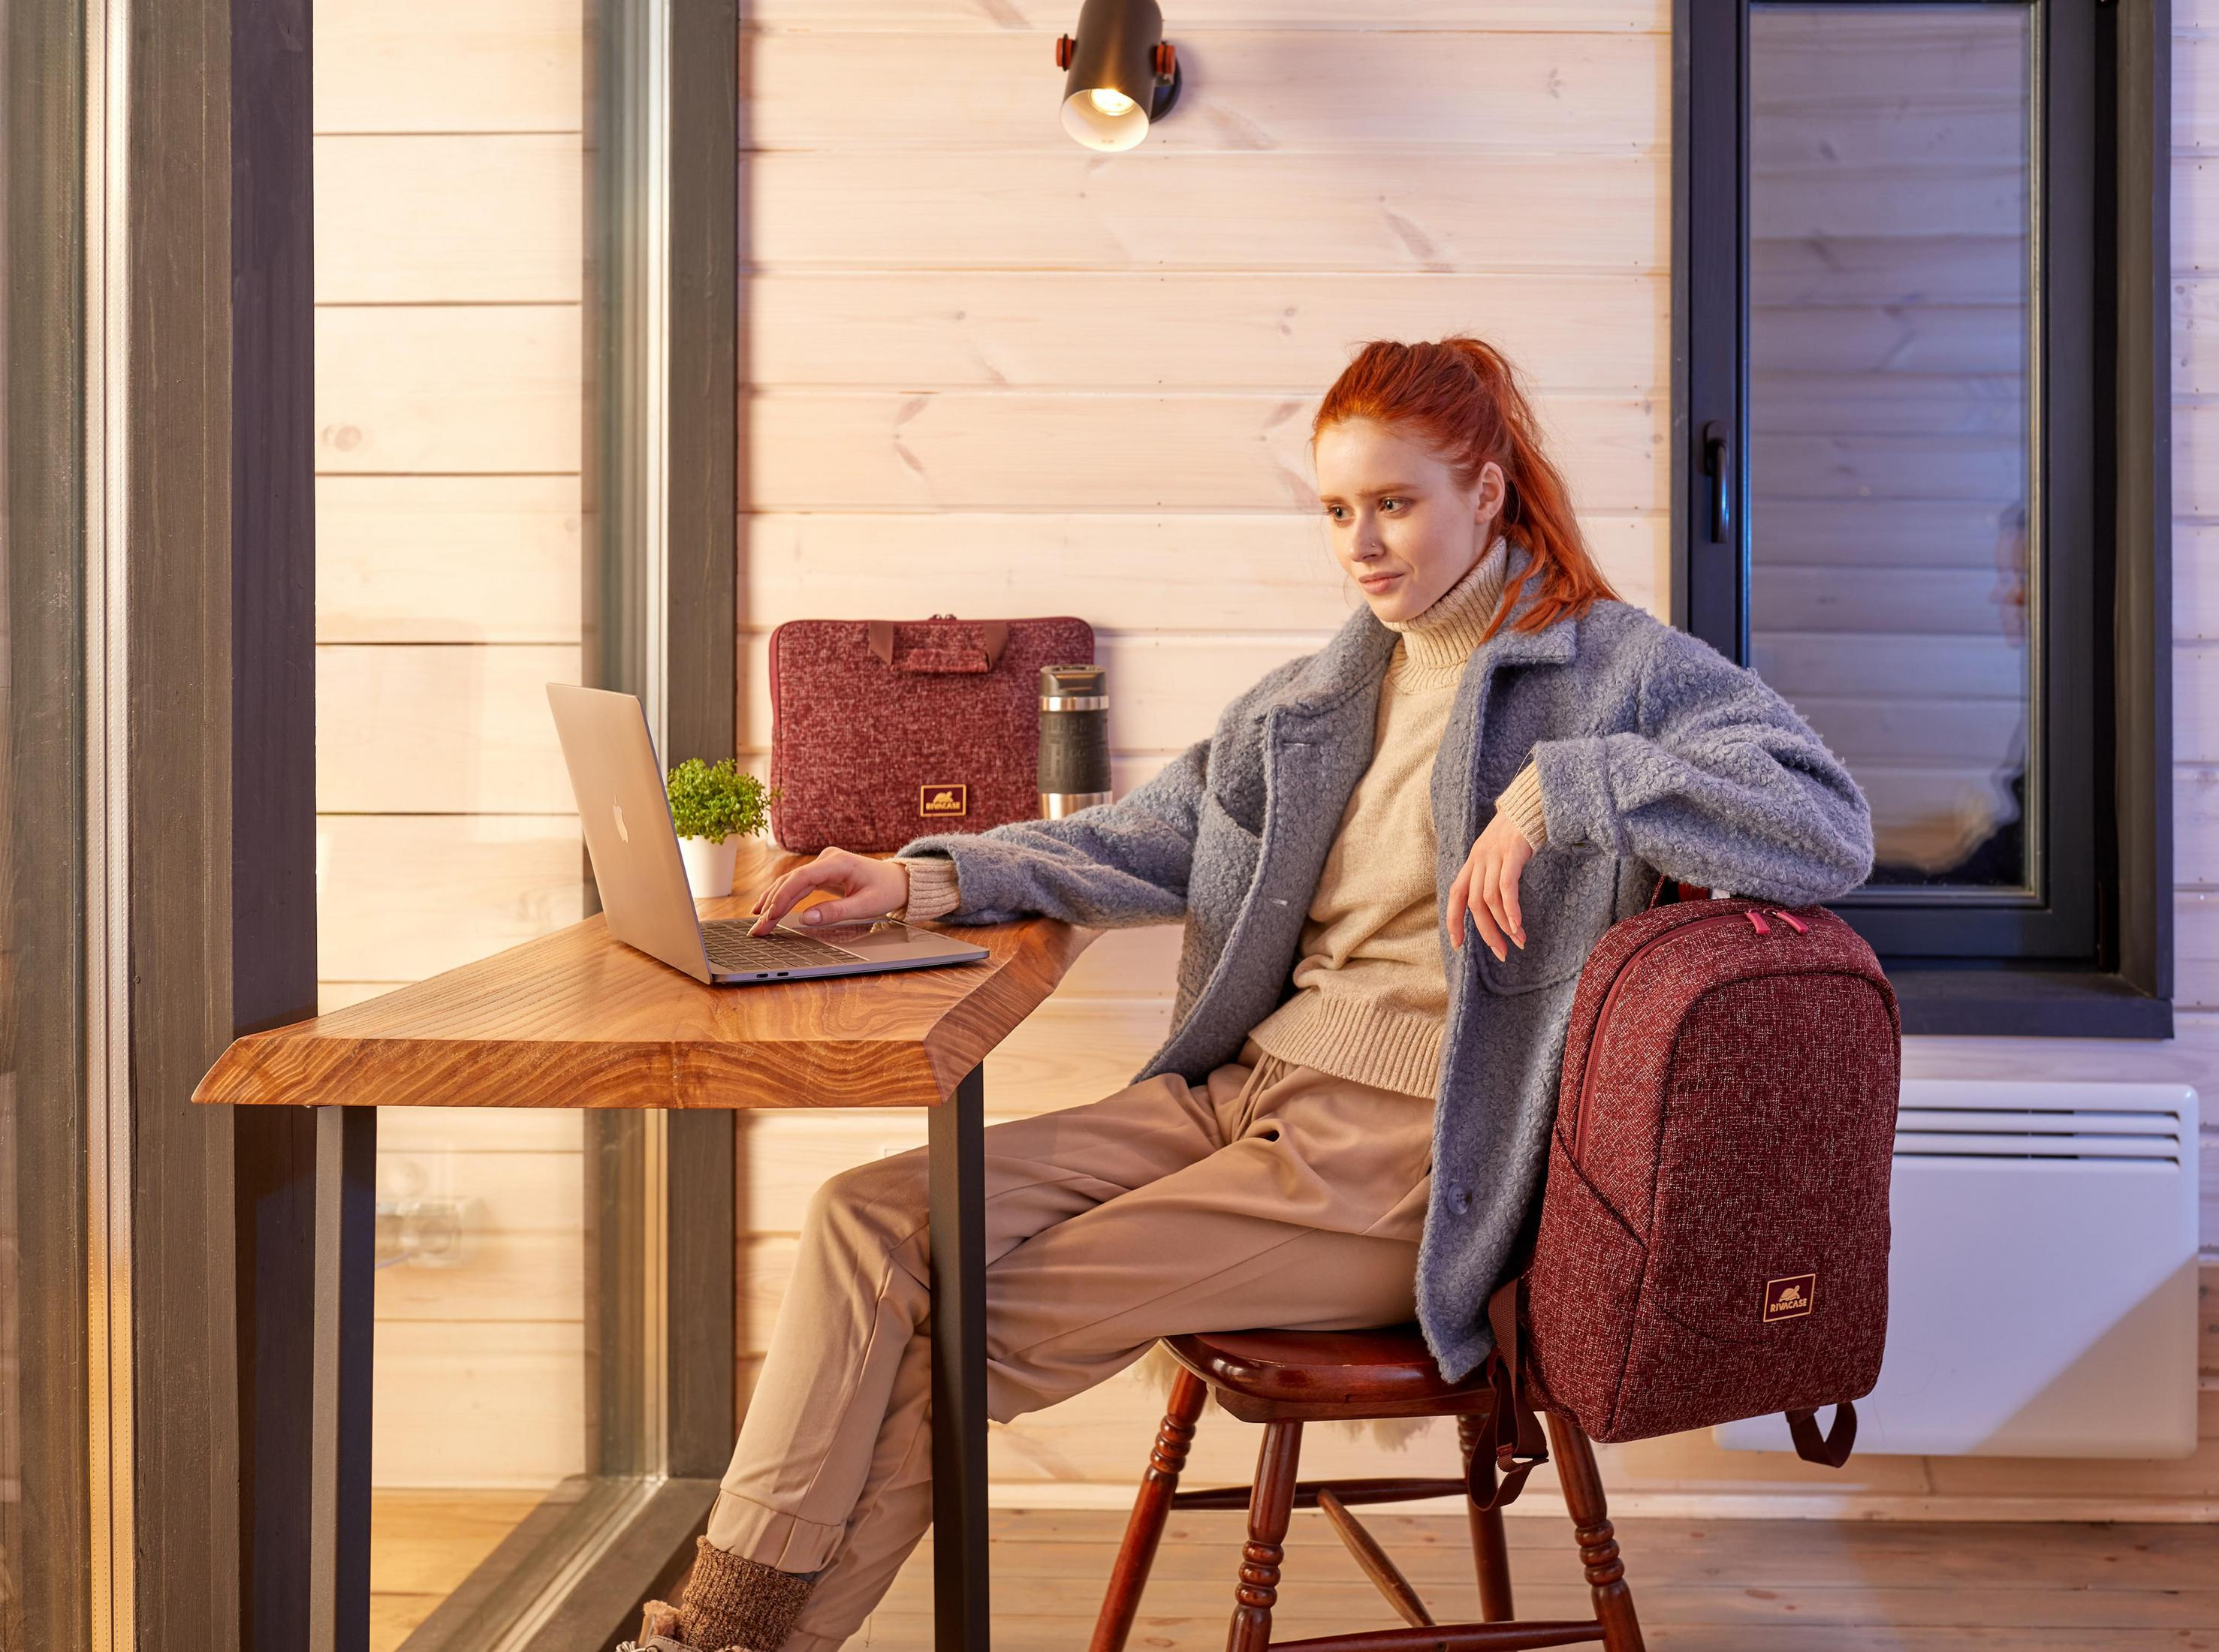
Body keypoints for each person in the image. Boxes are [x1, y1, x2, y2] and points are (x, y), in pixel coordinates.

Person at [625, 336, 1875, 1652]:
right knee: (867, 1218)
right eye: (1338, 510)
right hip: (1247, 1094)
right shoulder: (1317, 699)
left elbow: (1823, 826)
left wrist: (1574, 787)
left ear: (1488, 496)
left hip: (1411, 1155)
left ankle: (723, 1640)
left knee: (960, 1336)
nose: (1361, 544)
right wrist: (920, 881)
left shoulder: (1619, 672)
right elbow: (1145, 837)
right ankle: (728, 1624)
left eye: (1394, 504)